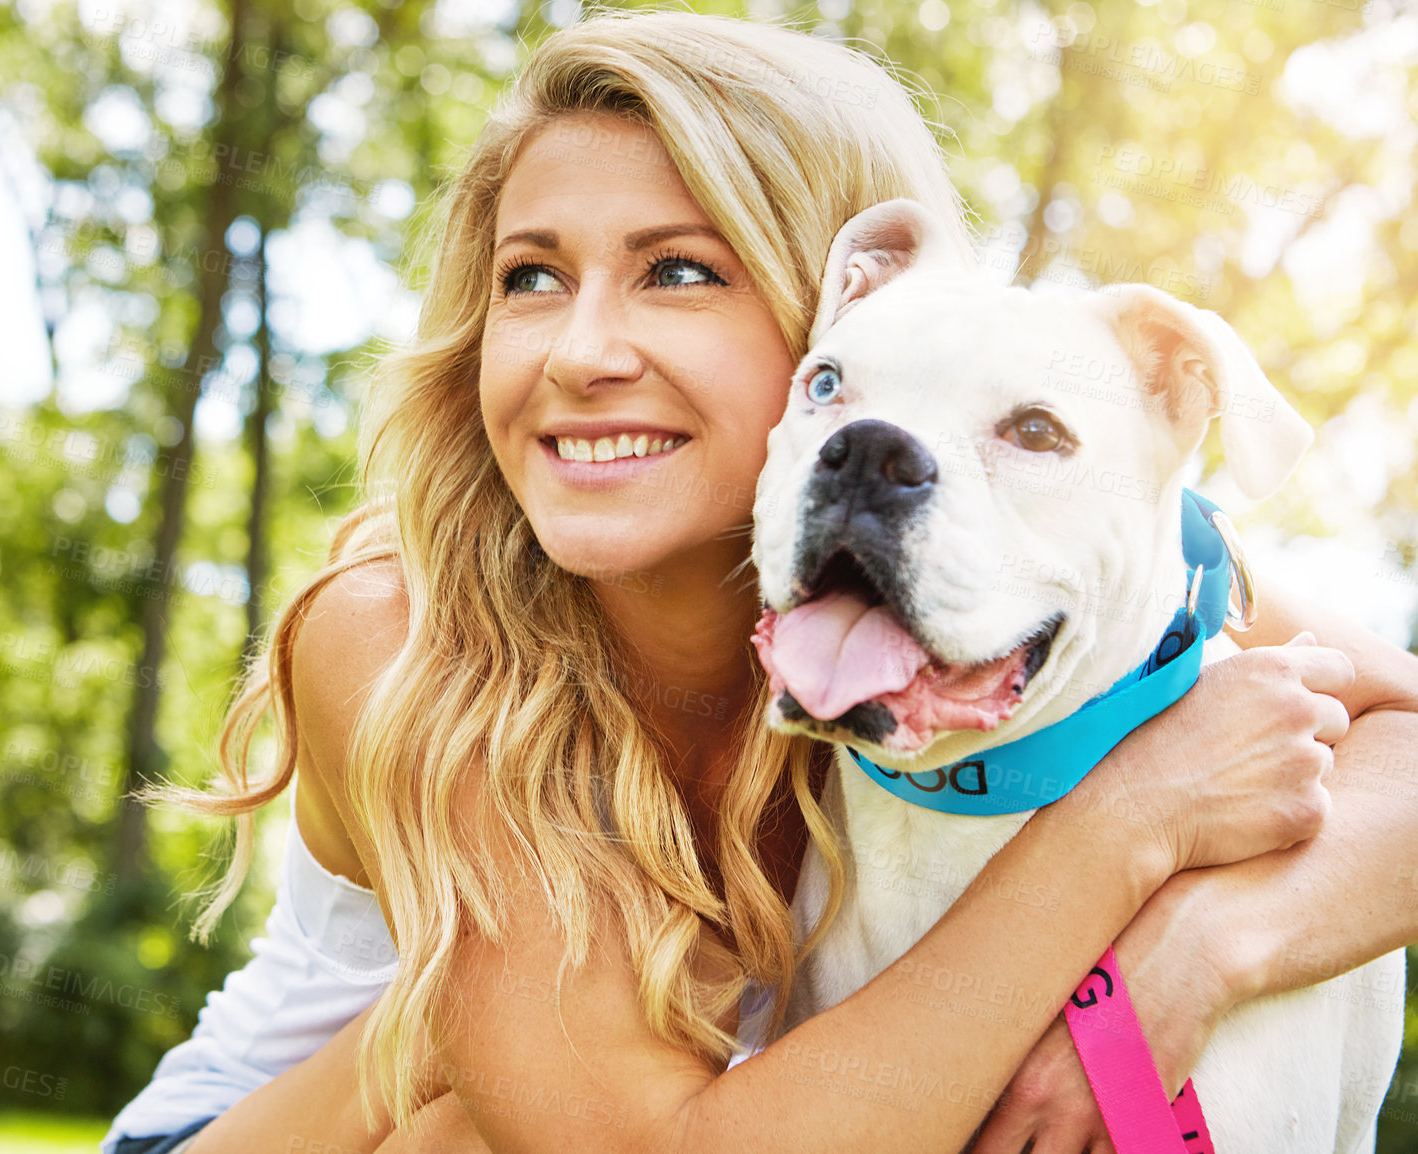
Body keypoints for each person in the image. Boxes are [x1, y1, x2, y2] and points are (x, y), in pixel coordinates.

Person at [101, 9, 1418, 1154]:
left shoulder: (1025, 563)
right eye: (530, 277)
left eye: (680, 271)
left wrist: (1208, 948)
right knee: (482, 1108)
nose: (582, 348)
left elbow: (1400, 731)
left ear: (839, 315)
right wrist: (1131, 815)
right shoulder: (404, 634)